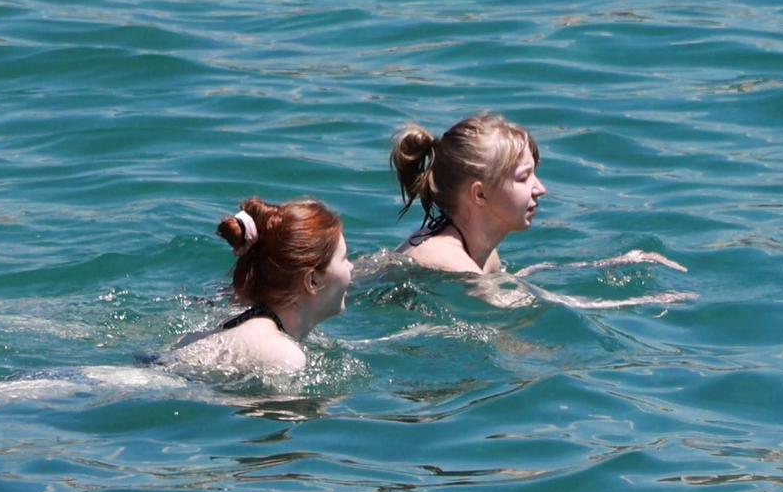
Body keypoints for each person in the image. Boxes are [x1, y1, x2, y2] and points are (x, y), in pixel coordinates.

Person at [170, 196, 352, 375]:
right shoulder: (284, 355)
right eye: (344, 258)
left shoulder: (241, 323)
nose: (351, 267)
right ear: (312, 280)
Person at [390, 112, 545, 274]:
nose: (540, 189)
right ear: (480, 194)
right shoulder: (449, 261)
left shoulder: (485, 253)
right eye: (523, 178)